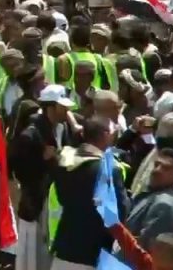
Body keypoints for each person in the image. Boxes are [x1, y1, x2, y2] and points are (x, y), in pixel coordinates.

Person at [11, 84, 80, 270]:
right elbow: (20, 172)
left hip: (56, 202)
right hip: (37, 203)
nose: (66, 110)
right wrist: (42, 160)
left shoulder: (63, 128)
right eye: (62, 106)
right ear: (50, 107)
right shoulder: (30, 135)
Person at [50, 116, 130, 270]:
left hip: (65, 246)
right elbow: (119, 212)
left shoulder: (65, 161)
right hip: (94, 251)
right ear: (106, 135)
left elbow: (62, 197)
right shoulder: (108, 169)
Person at [124, 148, 173, 251]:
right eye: (156, 165)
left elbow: (144, 248)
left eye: (166, 168)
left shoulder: (165, 205)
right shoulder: (152, 195)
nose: (157, 170)